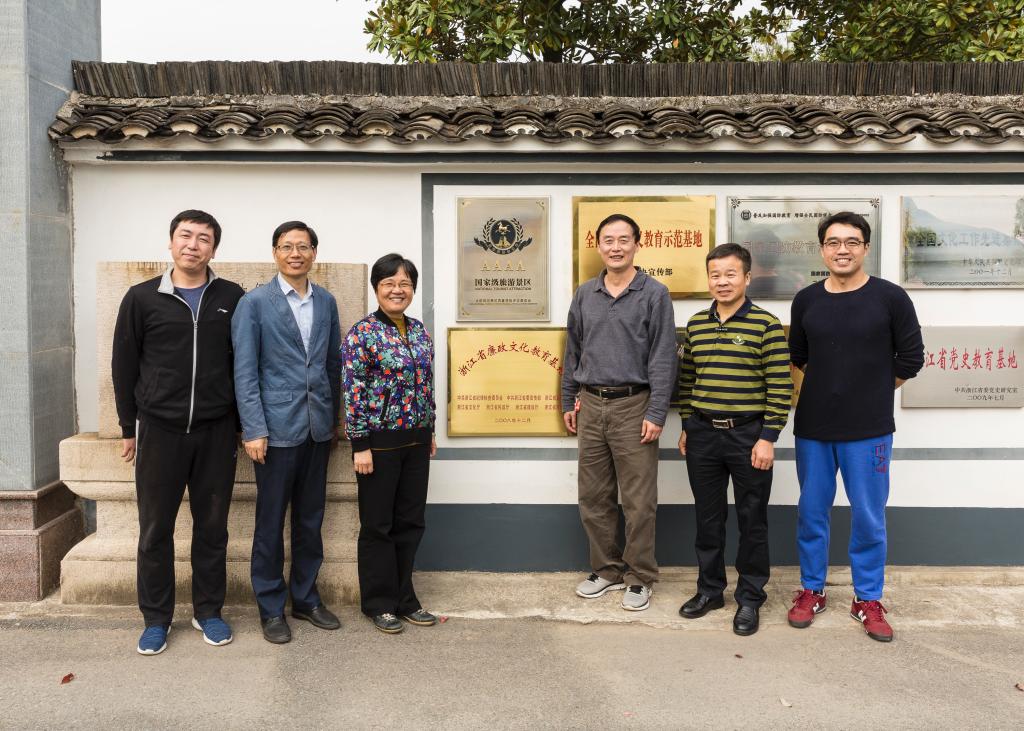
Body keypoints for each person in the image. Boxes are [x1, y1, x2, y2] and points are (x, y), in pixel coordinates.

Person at [787, 211, 924, 643]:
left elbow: (911, 359)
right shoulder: (806, 300)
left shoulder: (890, 298)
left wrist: (871, 390)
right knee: (812, 512)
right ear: (822, 249)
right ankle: (812, 589)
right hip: (814, 428)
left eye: (851, 242)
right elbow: (799, 356)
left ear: (865, 248)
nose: (841, 250)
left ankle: (867, 598)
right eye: (833, 242)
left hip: (869, 430)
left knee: (868, 516)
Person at [112, 209, 244, 655]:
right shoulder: (141, 298)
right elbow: (124, 364)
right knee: (155, 530)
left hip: (216, 431)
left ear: (214, 249)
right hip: (159, 431)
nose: (193, 245)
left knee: (213, 528)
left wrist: (243, 426)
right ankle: (156, 619)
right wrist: (127, 426)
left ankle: (209, 611)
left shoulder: (231, 296)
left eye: (203, 238)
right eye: (185, 236)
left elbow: (243, 363)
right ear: (170, 243)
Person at [232, 220, 343, 644]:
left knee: (311, 519)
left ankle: (306, 598)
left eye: (303, 246)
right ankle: (270, 606)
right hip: (274, 431)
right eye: (286, 246)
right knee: (270, 521)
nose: (295, 253)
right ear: (275, 253)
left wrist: (334, 419)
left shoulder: (326, 301)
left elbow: (331, 364)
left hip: (317, 429)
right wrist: (253, 429)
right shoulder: (255, 303)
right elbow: (245, 371)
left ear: (314, 253)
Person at [562, 213, 677, 612]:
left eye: (623, 240)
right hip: (591, 404)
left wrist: (656, 412)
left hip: (634, 404)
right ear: (598, 246)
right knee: (594, 495)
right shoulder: (585, 294)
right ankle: (607, 569)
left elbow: (663, 357)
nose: (616, 247)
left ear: (636, 244)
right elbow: (573, 351)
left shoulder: (654, 293)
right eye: (608, 240)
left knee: (639, 500)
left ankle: (640, 576)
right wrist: (568, 399)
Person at [676, 243, 792, 636]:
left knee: (751, 519)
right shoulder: (696, 324)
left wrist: (768, 437)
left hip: (748, 436)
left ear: (746, 277)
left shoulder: (766, 325)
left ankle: (750, 597)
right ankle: (710, 591)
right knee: (707, 519)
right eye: (715, 275)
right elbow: (688, 381)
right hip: (703, 435)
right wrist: (687, 426)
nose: (722, 281)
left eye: (730, 274)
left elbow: (780, 387)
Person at [342, 254, 437, 634]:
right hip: (378, 444)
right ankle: (379, 603)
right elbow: (352, 391)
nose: (398, 290)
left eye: (405, 284)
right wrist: (359, 444)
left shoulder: (419, 331)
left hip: (416, 440)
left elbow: (426, 384)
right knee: (378, 525)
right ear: (377, 288)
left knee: (410, 522)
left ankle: (405, 599)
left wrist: (429, 430)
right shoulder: (362, 334)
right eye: (389, 284)